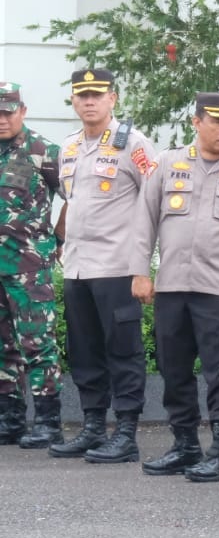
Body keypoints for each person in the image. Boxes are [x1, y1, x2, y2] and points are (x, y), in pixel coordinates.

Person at [132, 93, 219, 482]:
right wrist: (141, 272)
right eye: (218, 122)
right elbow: (144, 219)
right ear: (197, 122)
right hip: (171, 285)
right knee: (174, 367)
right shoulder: (168, 162)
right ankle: (184, 445)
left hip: (216, 288)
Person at [50, 70, 155, 462]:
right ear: (74, 102)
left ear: (113, 98)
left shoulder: (135, 144)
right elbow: (71, 202)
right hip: (77, 267)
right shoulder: (70, 147)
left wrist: (144, 264)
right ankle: (93, 426)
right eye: (82, 96)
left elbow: (154, 198)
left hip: (117, 266)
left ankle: (126, 432)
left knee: (123, 350)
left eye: (97, 95)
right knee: (84, 350)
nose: (89, 102)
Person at [0, 82, 64, 449]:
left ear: (22, 111)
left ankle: (47, 421)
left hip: (28, 266)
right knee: (3, 345)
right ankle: (9, 418)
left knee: (37, 343)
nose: (3, 119)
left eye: (9, 111)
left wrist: (57, 236)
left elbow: (77, 195)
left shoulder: (43, 152)